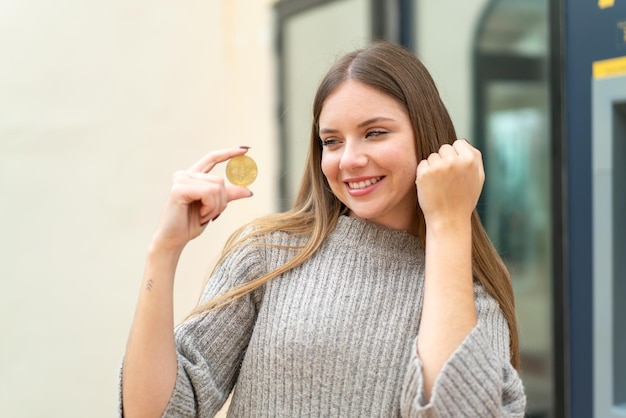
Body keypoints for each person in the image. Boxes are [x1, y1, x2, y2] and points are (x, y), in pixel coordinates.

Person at [120, 40, 526, 417]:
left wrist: (449, 223)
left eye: (375, 133)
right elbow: (155, 412)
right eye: (331, 141)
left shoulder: (471, 296)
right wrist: (164, 249)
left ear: (427, 136)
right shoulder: (269, 255)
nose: (348, 160)